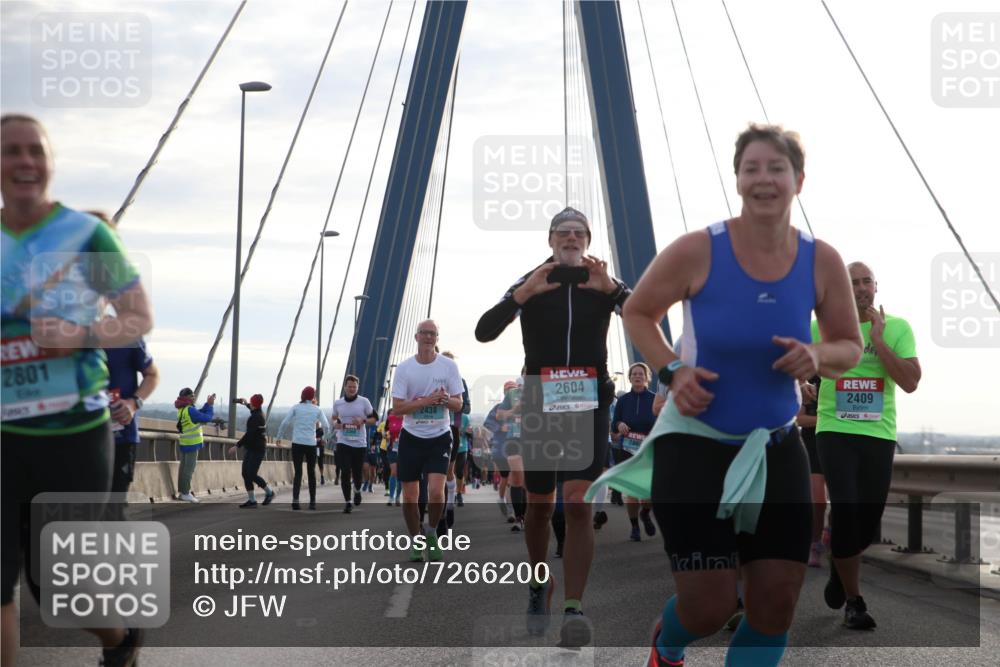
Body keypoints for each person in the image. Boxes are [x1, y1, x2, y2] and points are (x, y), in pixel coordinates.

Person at [595, 123, 863, 667]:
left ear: (799, 181)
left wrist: (817, 357)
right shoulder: (699, 249)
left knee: (776, 602)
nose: (764, 179)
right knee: (709, 608)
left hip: (774, 447)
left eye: (776, 168)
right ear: (738, 180)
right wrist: (672, 372)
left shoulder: (822, 260)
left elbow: (850, 346)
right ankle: (666, 645)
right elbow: (639, 311)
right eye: (752, 169)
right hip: (694, 448)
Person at [1, 113, 153, 667]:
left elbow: (137, 317)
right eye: (10, 151)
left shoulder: (87, 235)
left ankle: (121, 639)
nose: (23, 161)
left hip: (71, 431)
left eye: (34, 151)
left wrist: (80, 334)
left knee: (58, 588)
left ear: (49, 163)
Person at [476, 206, 630, 646]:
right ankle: (539, 583)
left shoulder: (602, 282)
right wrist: (522, 295)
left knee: (579, 504)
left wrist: (614, 291)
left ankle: (574, 608)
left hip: (589, 403)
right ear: (550, 240)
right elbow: (484, 331)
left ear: (587, 240)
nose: (570, 238)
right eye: (562, 232)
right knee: (540, 506)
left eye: (578, 232)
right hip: (543, 402)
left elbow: (645, 316)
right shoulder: (532, 280)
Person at [815, 261, 920, 630]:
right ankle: (855, 601)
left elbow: (910, 382)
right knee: (845, 508)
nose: (860, 287)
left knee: (864, 521)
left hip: (878, 435)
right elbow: (792, 367)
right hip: (834, 430)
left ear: (876, 287)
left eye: (865, 281)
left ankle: (837, 564)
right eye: (852, 282)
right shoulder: (820, 327)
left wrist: (877, 340)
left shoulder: (898, 328)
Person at [391, 320, 464, 562]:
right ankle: (416, 541)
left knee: (435, 491)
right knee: (410, 496)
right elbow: (398, 408)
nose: (429, 337)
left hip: (439, 436)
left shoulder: (449, 367)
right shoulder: (404, 369)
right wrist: (426, 401)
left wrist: (443, 400)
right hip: (411, 437)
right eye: (425, 333)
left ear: (437, 338)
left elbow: (458, 404)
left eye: (433, 334)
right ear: (416, 337)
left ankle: (431, 532)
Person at [611, 362, 658, 541]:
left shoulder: (655, 399)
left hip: (648, 449)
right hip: (627, 449)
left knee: (648, 492)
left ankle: (645, 514)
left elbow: (662, 422)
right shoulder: (623, 401)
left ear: (647, 377)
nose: (637, 376)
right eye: (634, 374)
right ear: (630, 378)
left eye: (641, 374)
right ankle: (635, 527)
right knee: (631, 491)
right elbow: (614, 423)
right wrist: (619, 424)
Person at [277, 386, 331, 510]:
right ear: (313, 397)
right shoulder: (317, 409)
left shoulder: (296, 408)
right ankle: (312, 502)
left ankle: (295, 500)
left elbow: (285, 422)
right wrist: (325, 439)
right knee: (311, 473)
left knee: (298, 472)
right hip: (311, 444)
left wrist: (279, 437)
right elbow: (327, 426)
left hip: (297, 443)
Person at [331, 375, 377, 514]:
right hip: (343, 442)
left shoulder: (364, 402)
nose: (351, 389)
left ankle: (357, 490)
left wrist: (363, 421)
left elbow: (374, 419)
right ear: (345, 387)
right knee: (345, 471)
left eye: (354, 387)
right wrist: (336, 425)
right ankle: (347, 502)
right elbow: (334, 418)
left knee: (357, 473)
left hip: (359, 444)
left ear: (357, 388)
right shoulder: (338, 403)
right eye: (349, 386)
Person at [796, 375, 828, 566]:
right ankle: (814, 543)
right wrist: (828, 418)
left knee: (844, 500)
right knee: (818, 499)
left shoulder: (847, 379)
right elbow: (800, 420)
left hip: (839, 442)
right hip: (813, 443)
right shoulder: (811, 383)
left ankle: (830, 536)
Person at [228, 394, 275, 508]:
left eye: (251, 402)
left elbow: (249, 435)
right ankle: (252, 500)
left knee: (251, 474)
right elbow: (253, 408)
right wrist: (245, 403)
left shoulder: (255, 418)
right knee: (245, 473)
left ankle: (269, 492)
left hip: (257, 450)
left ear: (254, 404)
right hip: (251, 448)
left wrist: (237, 446)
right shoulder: (258, 412)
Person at [175, 388, 216, 502]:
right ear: (187, 397)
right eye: (192, 396)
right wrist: (211, 406)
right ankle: (186, 493)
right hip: (192, 444)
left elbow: (199, 413)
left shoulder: (182, 409)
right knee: (189, 469)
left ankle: (182, 492)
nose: (194, 397)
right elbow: (206, 417)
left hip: (184, 443)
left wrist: (207, 404)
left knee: (183, 468)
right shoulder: (190, 410)